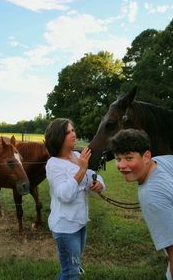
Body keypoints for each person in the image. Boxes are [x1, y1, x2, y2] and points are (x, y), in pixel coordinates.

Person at [44, 118, 105, 280]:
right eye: (67, 132)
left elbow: (92, 176)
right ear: (58, 137)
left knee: (71, 267)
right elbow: (64, 194)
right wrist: (82, 168)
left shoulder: (77, 155)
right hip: (65, 228)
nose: (73, 134)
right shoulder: (53, 164)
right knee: (71, 272)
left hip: (80, 223)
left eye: (73, 130)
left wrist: (98, 183)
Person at [109, 128, 173, 280]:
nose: (121, 165)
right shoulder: (164, 160)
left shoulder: (151, 196)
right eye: (118, 159)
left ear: (146, 156)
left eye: (129, 158)